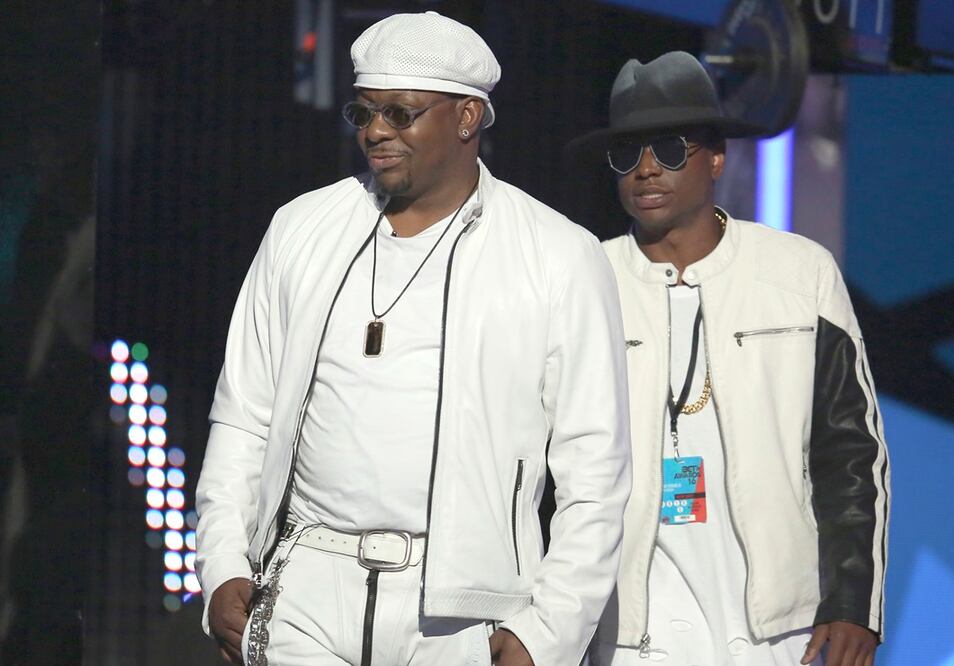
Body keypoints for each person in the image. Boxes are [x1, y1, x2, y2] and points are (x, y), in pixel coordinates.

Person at [195, 12, 631, 666]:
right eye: (364, 111)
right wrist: (224, 563)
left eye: (400, 113)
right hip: (304, 585)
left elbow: (595, 467)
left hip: (463, 610)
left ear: (467, 117)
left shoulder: (558, 256)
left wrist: (548, 632)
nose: (375, 130)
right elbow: (243, 418)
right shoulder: (301, 229)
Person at [569, 52, 891, 666]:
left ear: (716, 157)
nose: (645, 169)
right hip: (627, 628)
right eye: (626, 153)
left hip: (776, 630)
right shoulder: (585, 278)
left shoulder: (799, 273)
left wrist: (854, 600)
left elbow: (851, 451)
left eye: (669, 149)